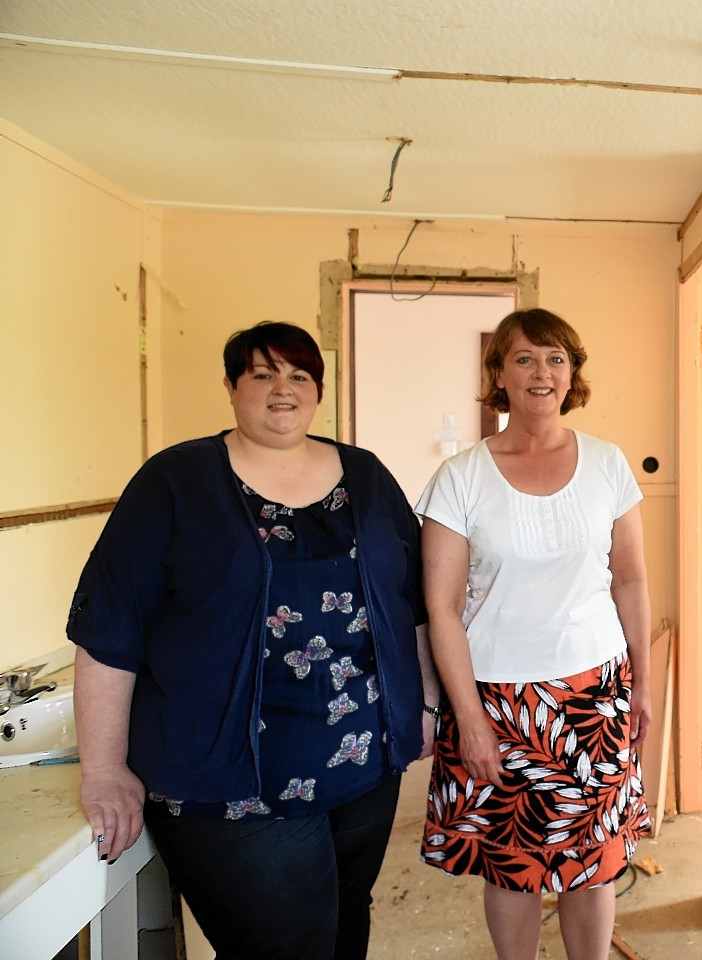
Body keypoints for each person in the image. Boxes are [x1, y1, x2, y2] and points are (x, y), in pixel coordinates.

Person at [67, 321, 435, 960]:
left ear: (318, 390)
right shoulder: (175, 481)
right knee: (284, 945)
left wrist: (424, 702)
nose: (281, 390)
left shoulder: (367, 475)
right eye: (261, 374)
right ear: (233, 387)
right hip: (226, 776)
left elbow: (415, 599)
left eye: (297, 375)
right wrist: (103, 768)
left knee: (346, 923)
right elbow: (109, 626)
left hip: (363, 766)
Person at [415, 307, 653, 960]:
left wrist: (644, 686)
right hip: (496, 698)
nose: (540, 372)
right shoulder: (459, 478)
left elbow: (630, 580)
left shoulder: (607, 464)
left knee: (594, 860)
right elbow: (441, 607)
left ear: (572, 373)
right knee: (512, 865)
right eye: (522, 358)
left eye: (555, 358)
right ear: (498, 374)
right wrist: (469, 719)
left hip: (595, 693)